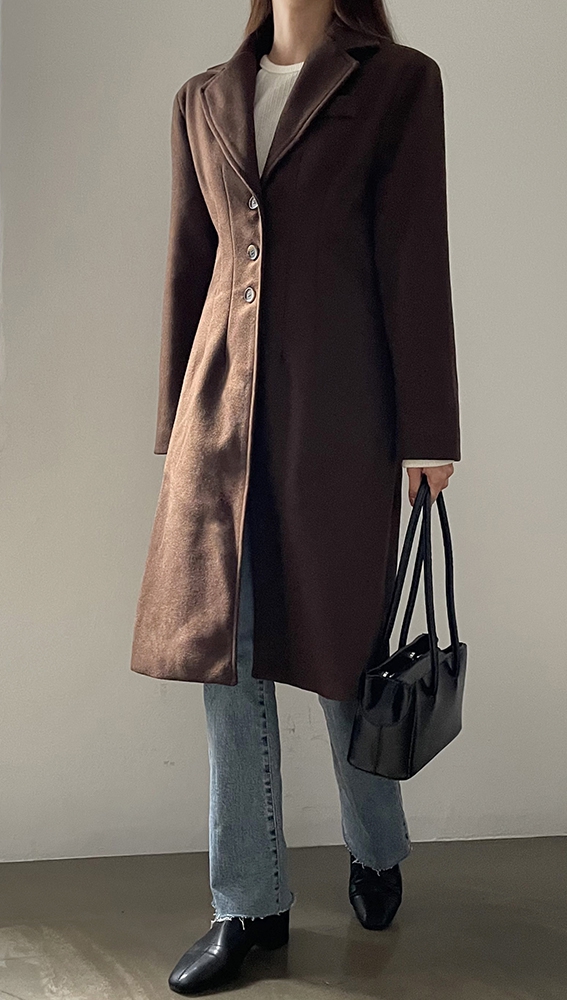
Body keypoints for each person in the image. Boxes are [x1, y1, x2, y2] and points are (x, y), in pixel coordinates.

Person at [130, 0, 461, 993]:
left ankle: (376, 847)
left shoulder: (398, 83)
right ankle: (249, 905)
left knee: (342, 655)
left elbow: (413, 254)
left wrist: (429, 431)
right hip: (218, 422)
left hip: (339, 414)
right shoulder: (202, 99)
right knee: (225, 664)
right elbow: (190, 265)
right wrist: (173, 428)